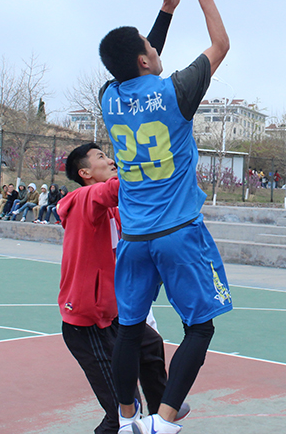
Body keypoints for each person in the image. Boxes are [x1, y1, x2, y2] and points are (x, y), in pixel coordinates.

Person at [99, 0, 232, 434]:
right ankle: (166, 420)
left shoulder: (108, 98)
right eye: (149, 46)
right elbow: (221, 44)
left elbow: (138, 65)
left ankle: (127, 417)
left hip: (134, 238)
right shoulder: (176, 92)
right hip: (178, 233)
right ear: (143, 58)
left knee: (130, 329)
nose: (154, 49)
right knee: (200, 326)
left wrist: (166, 11)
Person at [58, 142, 188, 434]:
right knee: (123, 413)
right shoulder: (83, 198)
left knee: (150, 345)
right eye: (101, 157)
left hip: (115, 313)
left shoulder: (113, 211)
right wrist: (146, 161)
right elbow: (120, 189)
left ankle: (163, 409)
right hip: (87, 323)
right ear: (85, 173)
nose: (111, 161)